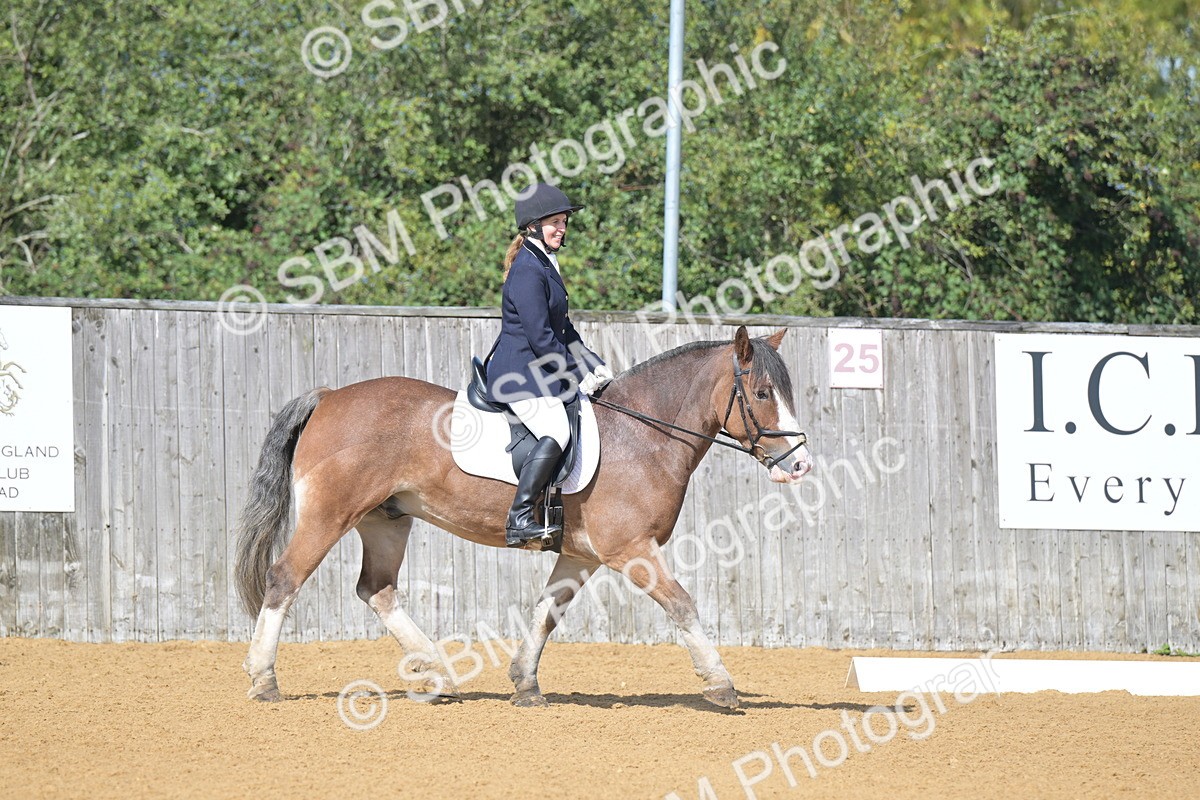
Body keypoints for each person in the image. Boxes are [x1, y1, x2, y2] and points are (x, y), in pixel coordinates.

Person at [485, 183, 613, 546]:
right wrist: (574, 376)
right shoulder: (528, 269)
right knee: (557, 430)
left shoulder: (543, 262)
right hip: (517, 376)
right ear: (532, 226)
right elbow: (542, 337)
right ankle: (520, 516)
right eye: (554, 222)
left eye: (564, 221)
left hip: (536, 370)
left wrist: (594, 364)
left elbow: (564, 328)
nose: (561, 228)